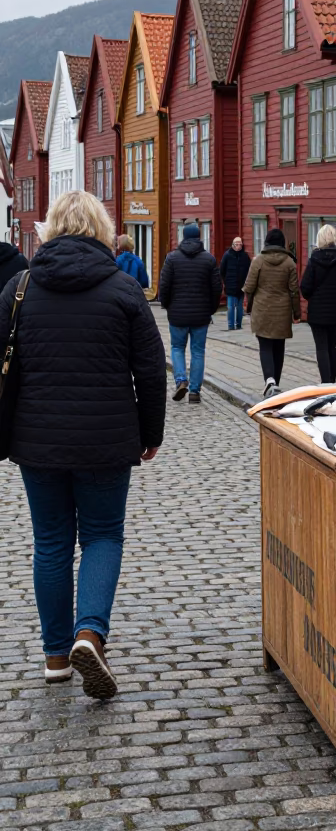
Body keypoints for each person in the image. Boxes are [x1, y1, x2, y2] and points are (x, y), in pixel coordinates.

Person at [0, 190, 166, 700]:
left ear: (48, 229)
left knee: (50, 543)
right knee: (101, 537)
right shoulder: (123, 289)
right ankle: (89, 634)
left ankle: (55, 658)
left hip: (37, 441)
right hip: (106, 439)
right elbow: (151, 372)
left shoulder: (19, 288)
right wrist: (149, 433)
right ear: (101, 229)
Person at [158, 222, 222, 404]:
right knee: (198, 351)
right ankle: (195, 391)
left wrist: (167, 305)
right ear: (199, 236)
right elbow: (217, 288)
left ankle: (180, 380)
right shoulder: (209, 259)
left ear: (183, 237)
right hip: (201, 314)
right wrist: (211, 308)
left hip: (177, 313)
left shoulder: (172, 258)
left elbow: (164, 285)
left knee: (177, 348)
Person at [243, 227, 300, 397]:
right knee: (279, 347)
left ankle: (269, 381)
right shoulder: (289, 263)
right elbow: (294, 291)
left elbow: (249, 287)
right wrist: (297, 313)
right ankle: (276, 382)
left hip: (262, 309)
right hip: (282, 310)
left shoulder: (258, 261)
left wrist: (249, 306)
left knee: (265, 346)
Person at [300, 224, 336, 383]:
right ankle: (332, 381)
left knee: (321, 347)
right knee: (332, 346)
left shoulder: (313, 260)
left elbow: (305, 286)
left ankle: (326, 382)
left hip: (317, 312)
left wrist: (312, 297)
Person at [219, 236, 251, 331]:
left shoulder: (245, 256)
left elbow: (249, 270)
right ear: (232, 245)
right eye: (236, 244)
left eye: (240, 244)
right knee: (231, 307)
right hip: (230, 285)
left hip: (241, 285)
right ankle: (231, 325)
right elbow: (222, 270)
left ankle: (238, 324)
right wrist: (225, 281)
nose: (238, 246)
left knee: (240, 307)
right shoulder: (227, 255)